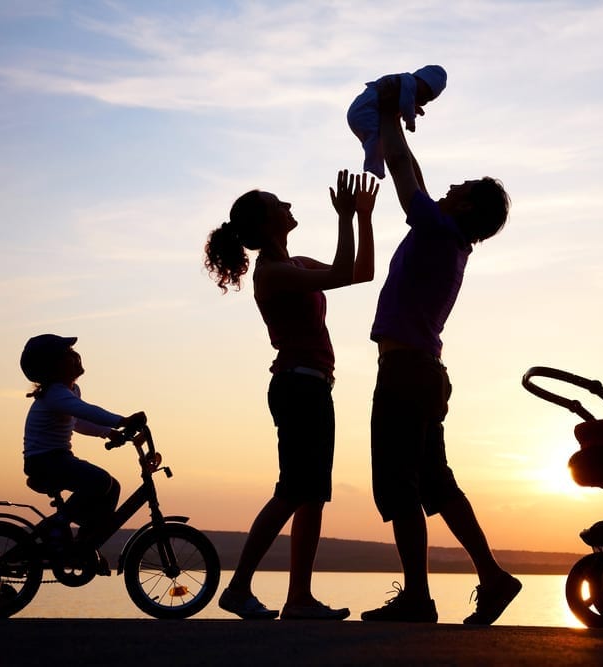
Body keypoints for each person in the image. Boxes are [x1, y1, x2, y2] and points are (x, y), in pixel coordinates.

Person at [360, 78, 520, 625]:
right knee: (436, 483)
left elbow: (406, 177)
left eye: (464, 184)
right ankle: (494, 578)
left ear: (468, 203)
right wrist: (391, 122)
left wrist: (386, 111)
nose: (451, 184)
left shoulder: (435, 230)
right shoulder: (449, 237)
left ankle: (417, 598)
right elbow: (417, 176)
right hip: (425, 372)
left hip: (406, 373)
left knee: (402, 488)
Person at [204, 169, 378, 621]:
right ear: (264, 226)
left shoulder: (295, 264)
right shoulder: (275, 272)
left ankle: (298, 597)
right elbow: (343, 270)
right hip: (297, 385)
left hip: (313, 385)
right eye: (278, 203)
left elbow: (361, 273)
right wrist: (345, 218)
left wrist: (364, 217)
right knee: (292, 491)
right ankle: (239, 587)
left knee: (311, 494)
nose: (289, 206)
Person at [20, 334, 144, 544]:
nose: (75, 356)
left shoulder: (71, 391)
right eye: (68, 354)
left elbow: (77, 422)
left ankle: (87, 540)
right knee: (100, 481)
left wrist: (109, 432)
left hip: (58, 458)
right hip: (45, 462)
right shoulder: (55, 393)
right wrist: (122, 420)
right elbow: (86, 411)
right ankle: (58, 522)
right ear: (54, 365)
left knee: (112, 487)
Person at [347, 65, 447, 179]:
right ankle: (373, 165)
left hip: (363, 110)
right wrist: (410, 121)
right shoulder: (408, 83)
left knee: (377, 140)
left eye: (428, 99)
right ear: (421, 80)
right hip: (364, 110)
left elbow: (405, 102)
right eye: (426, 94)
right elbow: (406, 103)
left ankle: (375, 164)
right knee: (374, 139)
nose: (424, 100)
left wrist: (411, 109)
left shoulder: (404, 83)